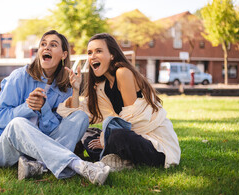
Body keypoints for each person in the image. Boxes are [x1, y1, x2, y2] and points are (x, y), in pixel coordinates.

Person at [0, 30, 110, 185]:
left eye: (53, 45)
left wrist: (66, 96)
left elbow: (54, 129)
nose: (46, 48)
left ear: (64, 55)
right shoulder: (19, 77)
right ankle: (79, 165)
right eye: (43, 44)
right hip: (5, 149)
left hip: (36, 150)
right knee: (18, 123)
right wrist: (27, 107)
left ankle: (38, 166)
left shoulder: (64, 87)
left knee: (80, 117)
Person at [58, 33, 181, 171]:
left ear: (112, 55)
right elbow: (79, 116)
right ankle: (118, 160)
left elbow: (132, 120)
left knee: (117, 136)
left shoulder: (123, 72)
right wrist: (76, 90)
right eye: (90, 52)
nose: (92, 56)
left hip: (154, 144)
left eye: (98, 51)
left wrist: (105, 139)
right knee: (86, 133)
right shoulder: (100, 87)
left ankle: (114, 157)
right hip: (124, 137)